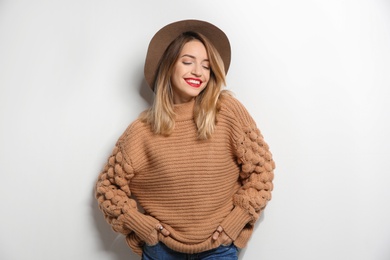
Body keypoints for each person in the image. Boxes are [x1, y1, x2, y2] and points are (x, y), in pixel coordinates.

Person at [95, 19, 275, 260]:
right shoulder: (142, 130)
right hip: (161, 251)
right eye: (187, 62)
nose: (198, 72)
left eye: (206, 65)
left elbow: (261, 170)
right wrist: (141, 225)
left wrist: (236, 221)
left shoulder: (227, 111)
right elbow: (108, 188)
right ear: (169, 66)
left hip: (218, 249)